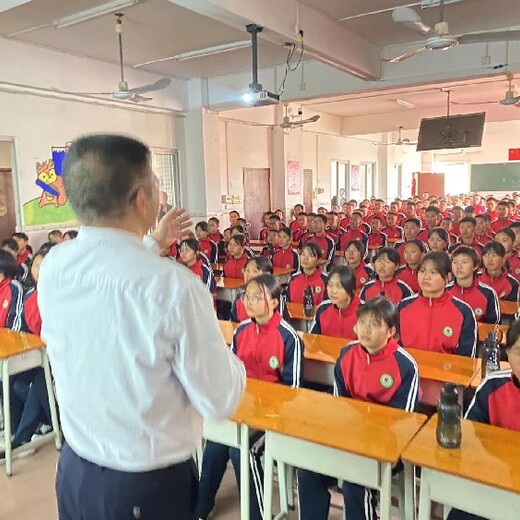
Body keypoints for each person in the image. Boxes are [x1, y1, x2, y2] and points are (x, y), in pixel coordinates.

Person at [38, 134, 246, 520]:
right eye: (154, 180)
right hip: (144, 488)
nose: (160, 189)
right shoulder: (175, 288)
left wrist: (150, 244)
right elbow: (220, 401)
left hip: (75, 472)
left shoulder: (53, 267)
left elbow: (113, 274)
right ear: (140, 199)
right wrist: (232, 356)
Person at [298, 297, 419, 520]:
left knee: (355, 484)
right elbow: (339, 407)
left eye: (375, 324)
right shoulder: (346, 354)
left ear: (391, 331)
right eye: (362, 322)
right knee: (308, 472)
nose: (365, 330)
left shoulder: (405, 365)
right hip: (348, 438)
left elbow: (403, 424)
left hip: (385, 447)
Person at [197, 274, 303, 520]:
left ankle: (257, 514)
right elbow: (233, 374)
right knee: (215, 445)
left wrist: (264, 408)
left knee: (241, 449)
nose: (249, 302)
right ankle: (201, 508)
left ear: (275, 302)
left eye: (257, 297)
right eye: (247, 296)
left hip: (272, 417)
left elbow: (293, 393)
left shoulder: (289, 337)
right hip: (241, 409)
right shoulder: (241, 331)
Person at [447, 319, 520, 520]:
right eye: (519, 352)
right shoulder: (492, 386)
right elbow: (470, 435)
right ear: (508, 353)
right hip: (494, 479)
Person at [0, 244, 56, 460]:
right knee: (14, 382)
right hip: (34, 353)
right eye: (35, 266)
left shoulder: (61, 294)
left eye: (43, 266)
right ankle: (17, 431)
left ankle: (23, 437)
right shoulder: (32, 294)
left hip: (54, 355)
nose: (37, 270)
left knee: (32, 384)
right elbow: (23, 328)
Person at [397, 252, 477, 357]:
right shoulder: (403, 306)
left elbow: (466, 357)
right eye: (422, 271)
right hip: (409, 371)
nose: (426, 277)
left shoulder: (463, 311)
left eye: (433, 272)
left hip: (447, 371)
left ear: (448, 277)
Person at [448, 246, 500, 324]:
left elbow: (493, 326)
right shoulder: (444, 291)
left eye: (464, 262)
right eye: (455, 262)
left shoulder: (488, 293)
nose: (458, 267)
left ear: (475, 266)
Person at [311, 266, 360, 339]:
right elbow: (312, 339)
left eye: (339, 286)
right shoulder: (323, 308)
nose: (333, 291)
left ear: (351, 289)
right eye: (330, 285)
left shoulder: (364, 312)